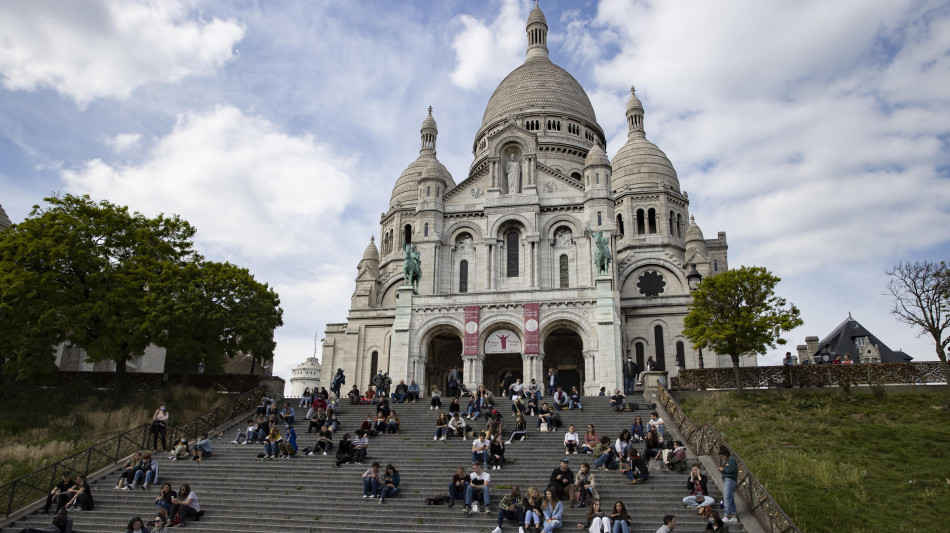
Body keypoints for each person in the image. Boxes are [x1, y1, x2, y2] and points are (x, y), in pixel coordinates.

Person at [717, 446, 739, 523]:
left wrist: (723, 469)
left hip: (730, 480)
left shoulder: (731, 459)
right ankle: (734, 515)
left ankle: (726, 515)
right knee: (731, 498)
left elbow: (732, 470)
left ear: (725, 454)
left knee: (726, 498)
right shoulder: (729, 460)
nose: (722, 458)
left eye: (722, 456)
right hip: (728, 480)